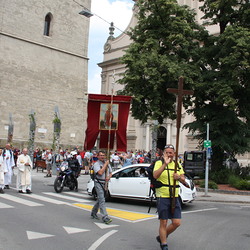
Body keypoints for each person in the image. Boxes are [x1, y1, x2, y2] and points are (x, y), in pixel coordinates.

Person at [153, 144, 186, 250]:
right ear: (163, 154)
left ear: (174, 154)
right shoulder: (159, 163)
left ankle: (162, 235)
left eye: (170, 152)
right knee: (164, 222)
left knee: (176, 222)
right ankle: (164, 244)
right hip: (162, 195)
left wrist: (179, 178)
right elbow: (155, 175)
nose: (169, 154)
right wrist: (164, 165)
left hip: (174, 196)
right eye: (166, 152)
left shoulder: (177, 164)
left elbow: (183, 179)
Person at [91, 151, 112, 224]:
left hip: (105, 183)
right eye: (101, 155)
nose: (102, 156)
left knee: (101, 198)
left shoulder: (107, 163)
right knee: (102, 199)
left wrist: (108, 177)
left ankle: (93, 212)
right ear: (98, 156)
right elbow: (100, 172)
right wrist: (105, 164)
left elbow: (111, 172)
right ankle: (105, 216)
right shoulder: (96, 164)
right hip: (98, 182)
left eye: (103, 155)